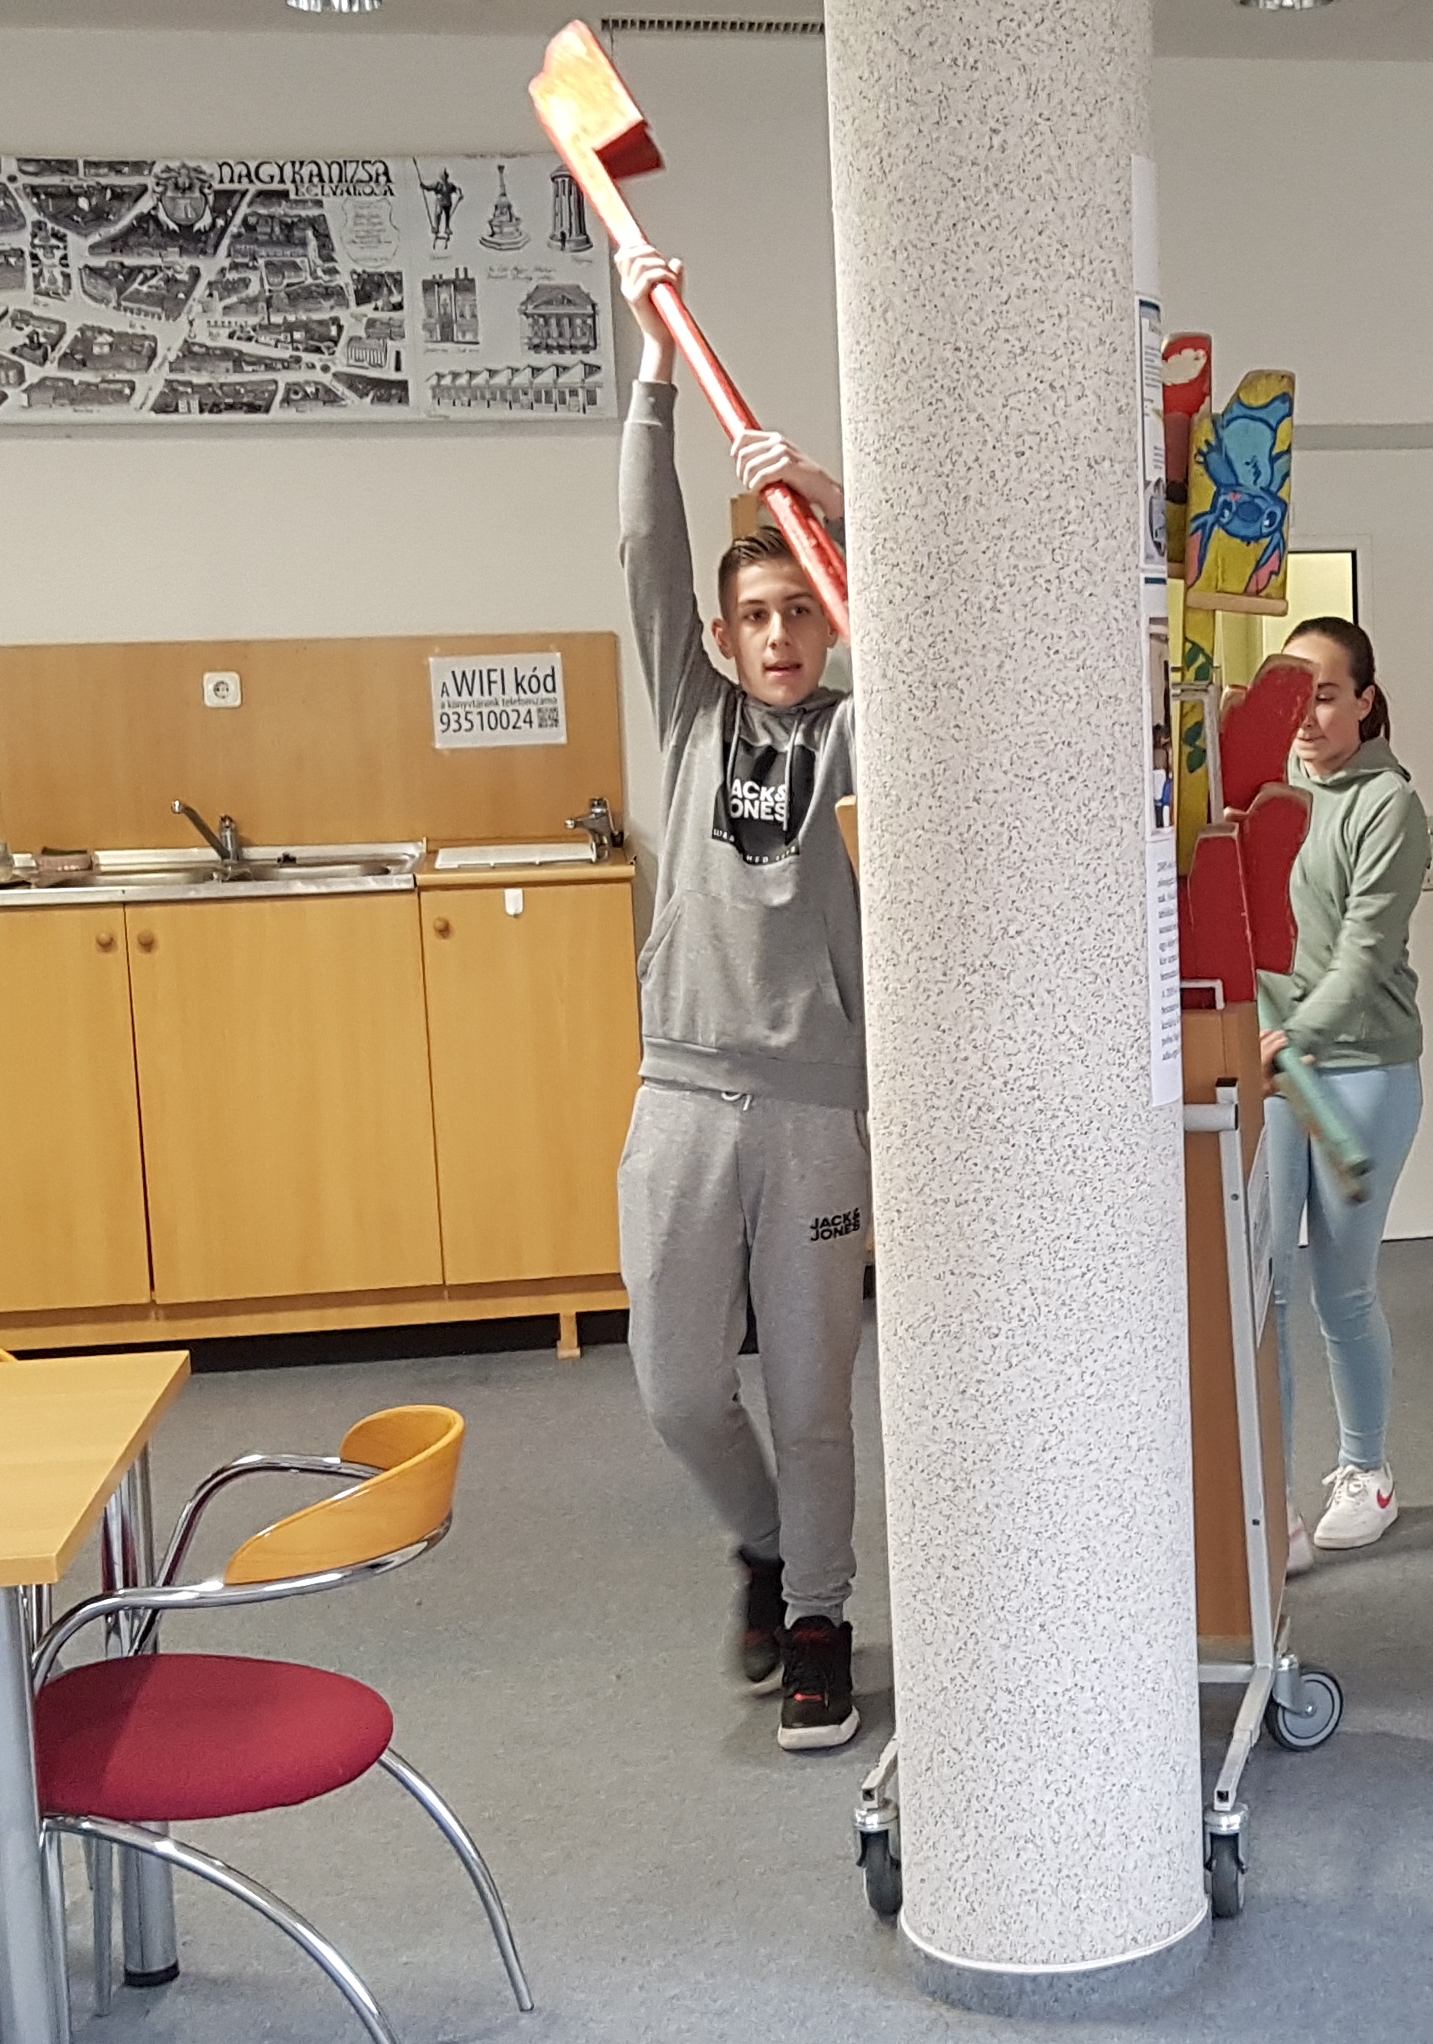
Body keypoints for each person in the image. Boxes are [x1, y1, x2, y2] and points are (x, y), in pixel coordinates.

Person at [613, 243, 874, 1753]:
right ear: (721, 637)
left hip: (815, 1112)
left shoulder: (863, 730)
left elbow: (925, 625)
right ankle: (769, 1549)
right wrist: (655, 366)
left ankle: (821, 1617)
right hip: (681, 1099)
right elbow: (644, 548)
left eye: (800, 611)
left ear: (826, 623)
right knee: (677, 1390)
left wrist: (831, 497)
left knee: (816, 1396)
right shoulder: (689, 720)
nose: (779, 636)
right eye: (755, 616)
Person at [1251, 618, 1432, 1571]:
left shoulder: (1387, 806)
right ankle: (1270, 1497)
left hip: (1362, 1070)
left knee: (1340, 1290)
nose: (1309, 715)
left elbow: (1363, 957)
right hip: (1274, 1070)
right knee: (1266, 1287)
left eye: (1326, 694)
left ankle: (1368, 1472)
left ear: (1365, 700)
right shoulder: (1259, 793)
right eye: (1295, 694)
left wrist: (1299, 1034)